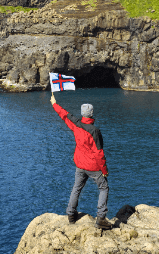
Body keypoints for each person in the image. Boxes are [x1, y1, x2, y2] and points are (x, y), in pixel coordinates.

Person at [50, 94, 112, 230]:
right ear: (91, 114)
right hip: (93, 167)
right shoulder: (95, 131)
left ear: (82, 113)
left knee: (77, 187)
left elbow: (64, 115)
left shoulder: (76, 125)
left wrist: (54, 103)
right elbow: (99, 153)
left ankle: (71, 214)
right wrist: (104, 170)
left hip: (79, 164)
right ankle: (101, 218)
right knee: (104, 188)